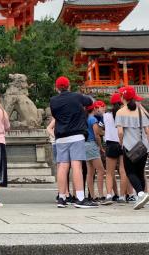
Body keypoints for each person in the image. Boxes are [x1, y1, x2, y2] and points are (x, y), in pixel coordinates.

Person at [50, 76, 98, 208]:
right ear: (69, 86)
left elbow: (55, 115)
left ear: (57, 87)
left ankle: (61, 197)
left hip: (60, 137)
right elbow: (89, 102)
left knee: (62, 166)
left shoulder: (53, 100)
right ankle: (80, 198)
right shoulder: (76, 97)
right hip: (76, 135)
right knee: (76, 165)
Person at [115, 86, 149, 210]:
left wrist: (121, 142)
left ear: (122, 97)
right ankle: (143, 195)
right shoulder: (141, 111)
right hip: (143, 147)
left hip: (129, 146)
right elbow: (147, 131)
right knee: (140, 172)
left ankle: (140, 194)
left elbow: (120, 132)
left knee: (130, 172)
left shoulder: (120, 112)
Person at [103, 93, 129, 204]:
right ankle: (122, 196)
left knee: (109, 172)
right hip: (123, 144)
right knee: (123, 171)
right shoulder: (124, 114)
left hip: (111, 144)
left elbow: (101, 128)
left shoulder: (106, 116)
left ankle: (109, 195)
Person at [85, 101, 107, 202]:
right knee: (101, 170)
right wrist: (100, 146)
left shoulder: (84, 119)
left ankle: (92, 195)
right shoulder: (93, 119)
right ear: (94, 108)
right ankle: (101, 194)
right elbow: (97, 134)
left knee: (90, 172)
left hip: (84, 145)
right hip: (92, 144)